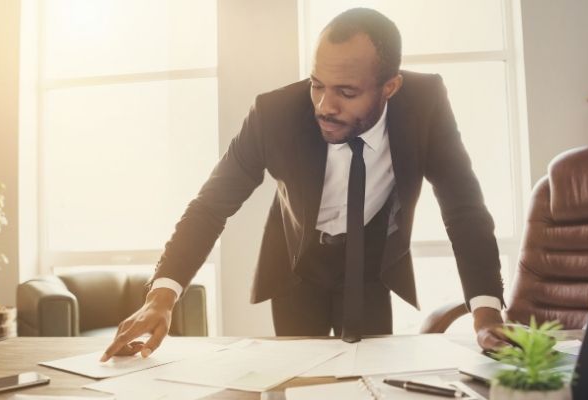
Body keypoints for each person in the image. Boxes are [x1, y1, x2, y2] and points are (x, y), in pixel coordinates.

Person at [101, 7, 509, 362]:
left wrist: (486, 311)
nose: (324, 107)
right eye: (317, 84)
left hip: (370, 264)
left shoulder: (425, 104)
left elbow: (464, 208)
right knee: (300, 382)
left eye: (346, 92)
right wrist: (162, 296)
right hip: (298, 264)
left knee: (370, 375)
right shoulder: (273, 114)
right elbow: (211, 206)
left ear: (391, 87)